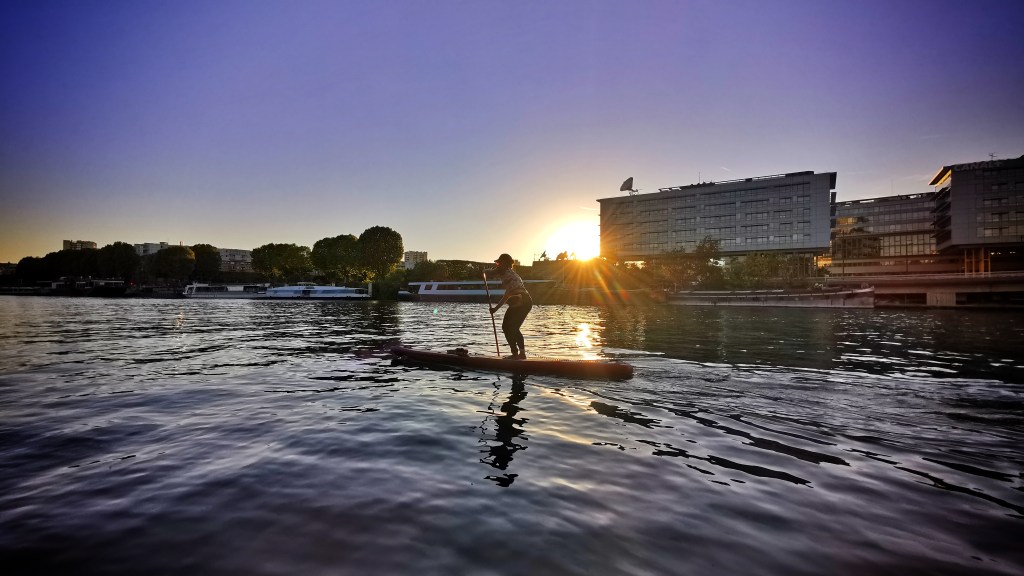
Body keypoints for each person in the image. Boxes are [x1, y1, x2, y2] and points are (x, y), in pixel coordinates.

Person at [485, 253, 533, 359]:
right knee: (512, 328)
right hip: (526, 301)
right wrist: (495, 309)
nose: (497, 265)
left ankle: (516, 354)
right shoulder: (511, 275)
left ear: (505, 263)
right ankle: (521, 353)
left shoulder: (504, 270)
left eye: (499, 262)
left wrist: (483, 272)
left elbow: (491, 272)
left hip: (519, 299)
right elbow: (507, 295)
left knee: (509, 327)